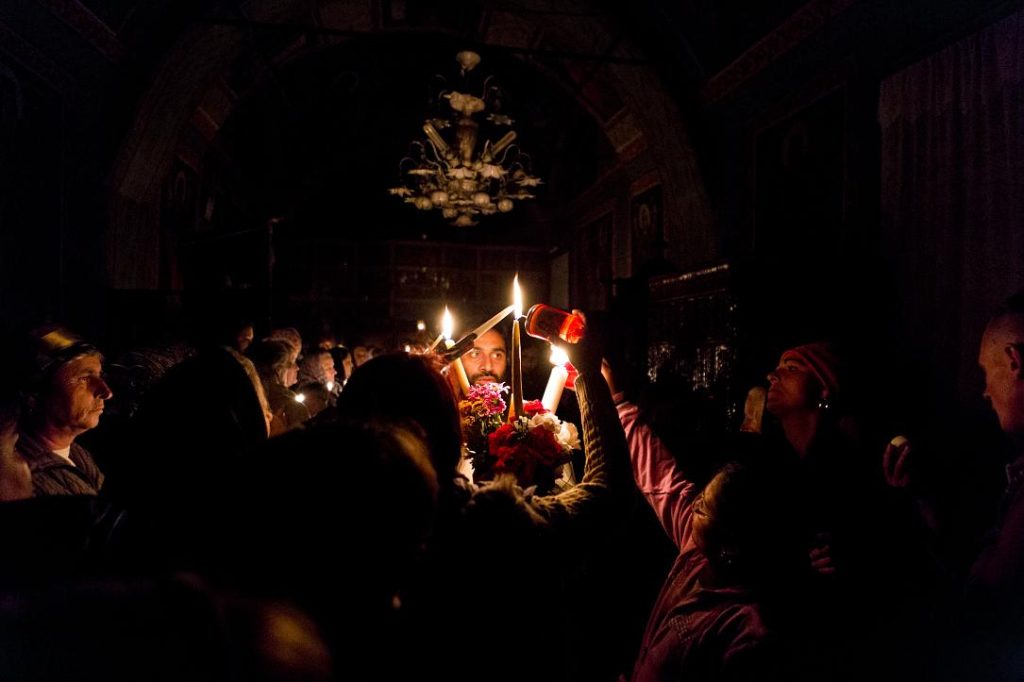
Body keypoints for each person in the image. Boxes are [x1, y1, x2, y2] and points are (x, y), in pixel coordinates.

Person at [16, 325, 113, 497]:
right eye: (84, 378)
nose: (107, 392)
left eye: (99, 376)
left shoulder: (77, 455)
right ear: (35, 392)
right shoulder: (19, 480)